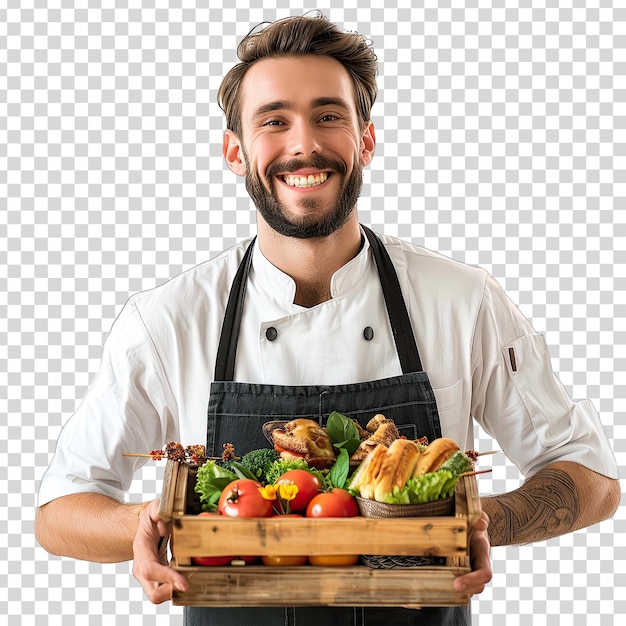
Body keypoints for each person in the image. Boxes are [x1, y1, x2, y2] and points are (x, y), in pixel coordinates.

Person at [35, 13, 619, 626]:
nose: (303, 144)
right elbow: (59, 511)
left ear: (365, 139)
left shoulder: (462, 302)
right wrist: (150, 522)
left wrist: (487, 521)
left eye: (329, 116)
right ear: (236, 151)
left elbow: (594, 476)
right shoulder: (169, 319)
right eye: (274, 120)